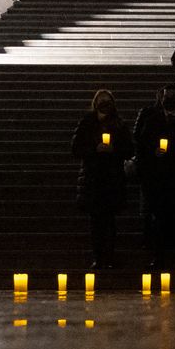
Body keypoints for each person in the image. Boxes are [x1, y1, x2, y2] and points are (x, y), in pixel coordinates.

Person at [133, 86, 175, 270]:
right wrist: (152, 154)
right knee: (159, 218)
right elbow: (141, 145)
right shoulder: (153, 120)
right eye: (165, 97)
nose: (168, 100)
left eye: (171, 97)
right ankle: (159, 256)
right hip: (159, 177)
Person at [70, 90, 129, 270]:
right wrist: (95, 149)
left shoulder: (119, 124)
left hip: (112, 178)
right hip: (93, 178)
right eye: (101, 101)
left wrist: (114, 150)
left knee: (109, 221)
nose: (104, 104)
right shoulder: (87, 123)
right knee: (96, 222)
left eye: (107, 101)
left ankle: (109, 257)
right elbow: (76, 148)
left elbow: (129, 149)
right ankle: (98, 257)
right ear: (95, 104)